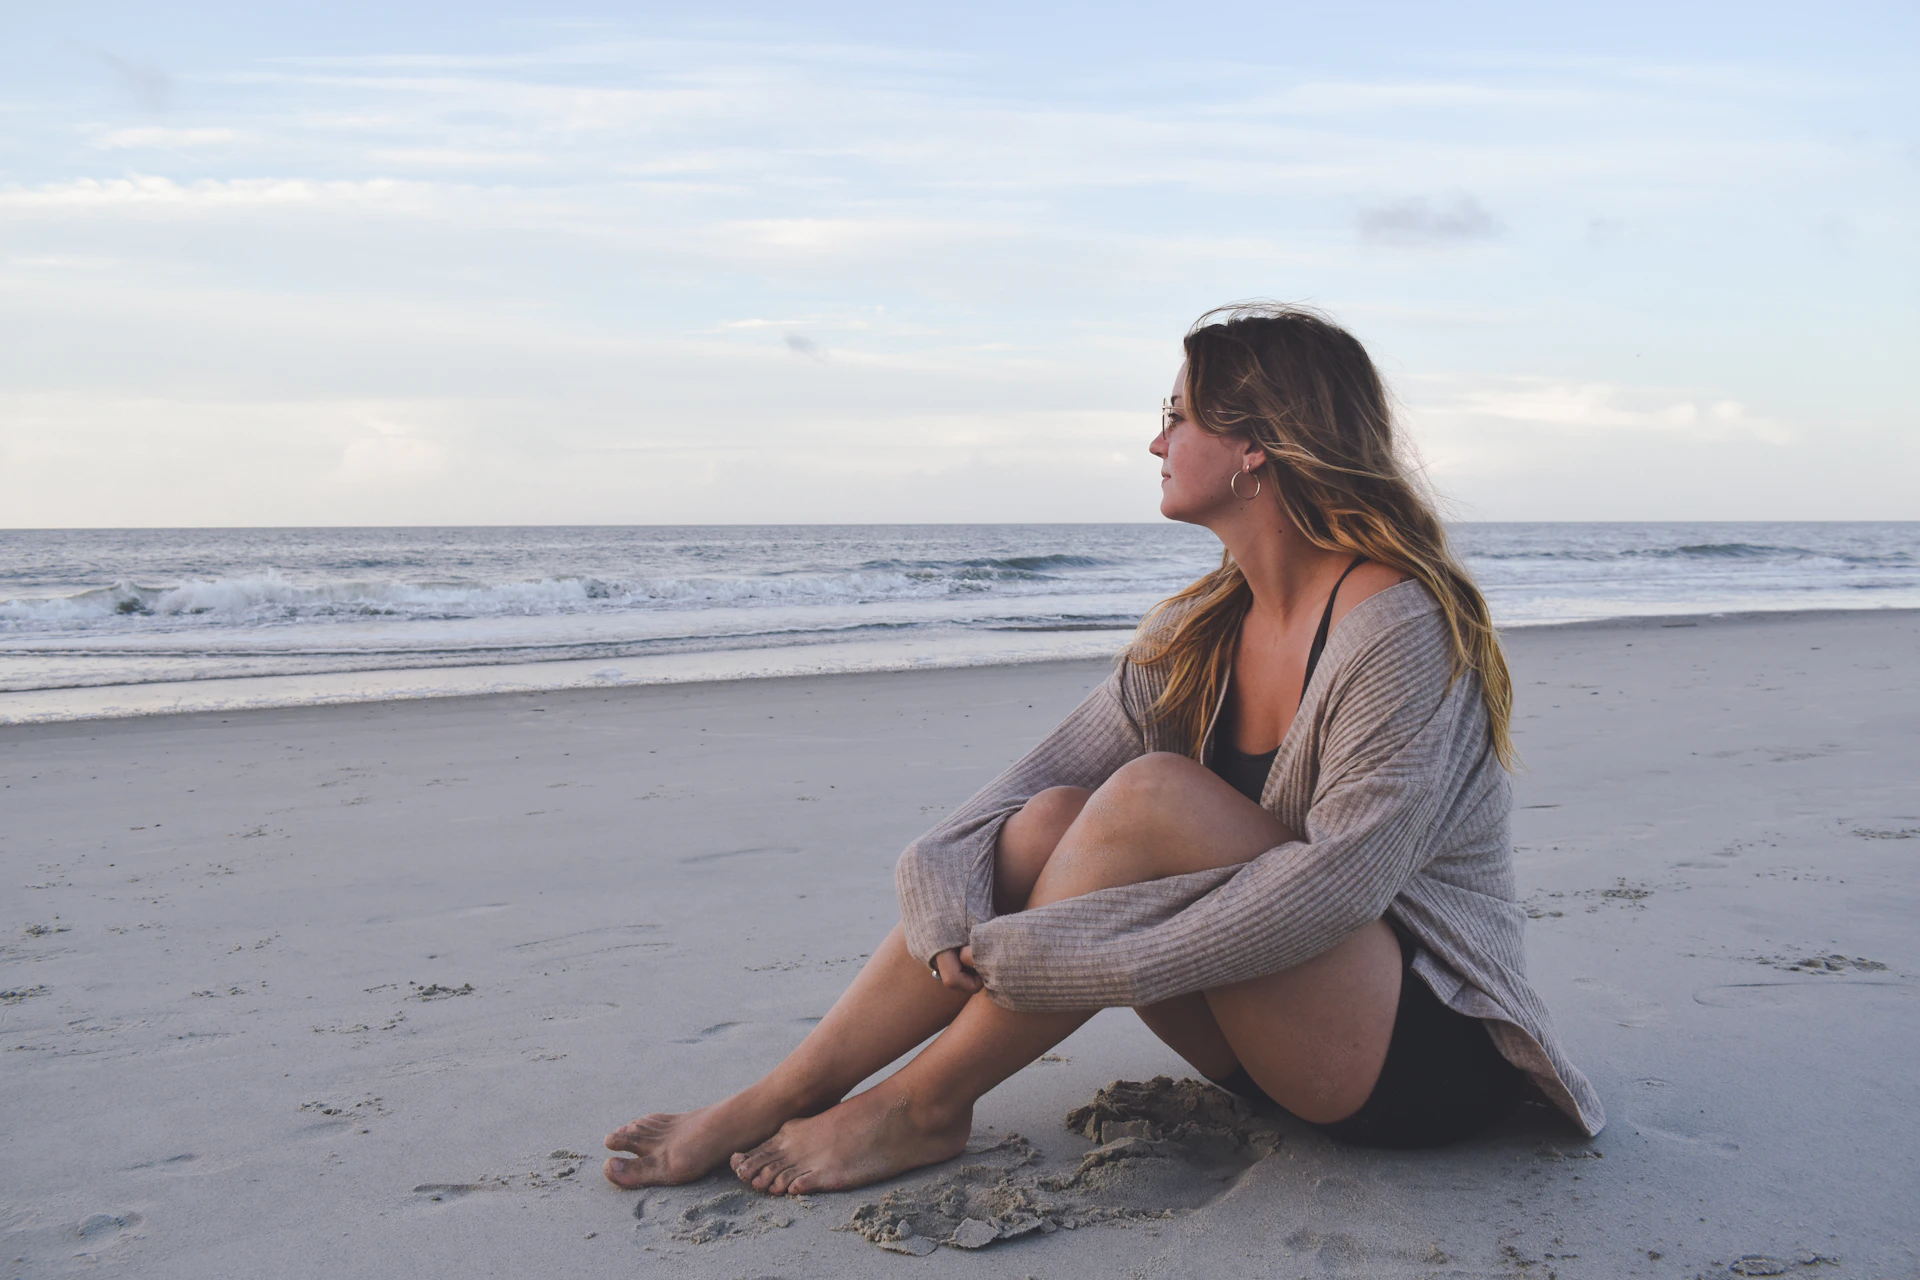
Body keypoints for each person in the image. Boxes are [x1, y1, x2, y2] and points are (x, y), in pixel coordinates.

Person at [604, 302, 1603, 1197]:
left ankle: (923, 1102)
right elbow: (1016, 797)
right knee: (1049, 820)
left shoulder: (1395, 623)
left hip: (1412, 1057)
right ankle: (786, 1087)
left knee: (1150, 799)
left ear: (1257, 443)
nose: (1156, 439)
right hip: (1265, 1048)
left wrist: (1071, 956)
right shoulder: (1203, 630)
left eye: (1179, 414)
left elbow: (1339, 886)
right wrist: (943, 891)